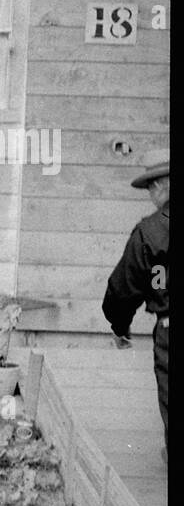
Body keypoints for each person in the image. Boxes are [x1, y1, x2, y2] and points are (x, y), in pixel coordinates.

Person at [102, 146, 169, 456]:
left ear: (159, 185)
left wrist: (120, 326)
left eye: (149, 189)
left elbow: (124, 288)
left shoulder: (150, 233)